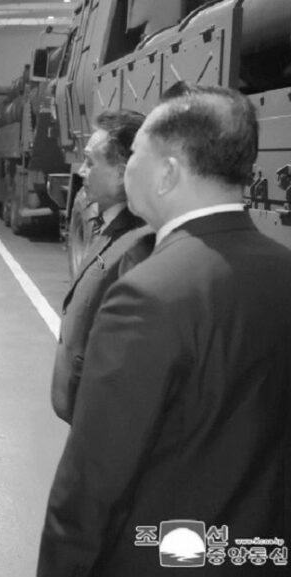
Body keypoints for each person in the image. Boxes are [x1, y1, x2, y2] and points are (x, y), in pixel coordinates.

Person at [38, 83, 291, 576]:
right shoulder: (282, 270)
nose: (128, 167)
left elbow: (94, 483)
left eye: (135, 155)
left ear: (167, 173)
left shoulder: (146, 295)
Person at [51, 109, 153, 423]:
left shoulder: (137, 246)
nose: (82, 171)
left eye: (90, 162)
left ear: (122, 173)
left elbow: (133, 360)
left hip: (101, 420)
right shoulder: (110, 228)